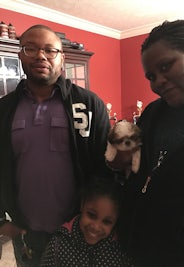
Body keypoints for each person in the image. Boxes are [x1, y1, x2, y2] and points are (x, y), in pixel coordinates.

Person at [0, 24, 110, 267]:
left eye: (50, 50)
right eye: (31, 49)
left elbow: (105, 170)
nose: (41, 55)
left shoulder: (90, 105)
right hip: (25, 233)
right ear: (20, 55)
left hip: (77, 230)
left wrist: (101, 222)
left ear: (62, 58)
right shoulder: (3, 110)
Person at [119, 19, 184, 267]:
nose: (158, 82)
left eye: (166, 66)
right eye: (151, 76)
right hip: (141, 247)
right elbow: (140, 170)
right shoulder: (153, 112)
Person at [40, 175, 134, 267]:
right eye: (91, 215)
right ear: (82, 205)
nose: (96, 227)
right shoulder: (59, 244)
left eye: (106, 222)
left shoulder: (120, 251)